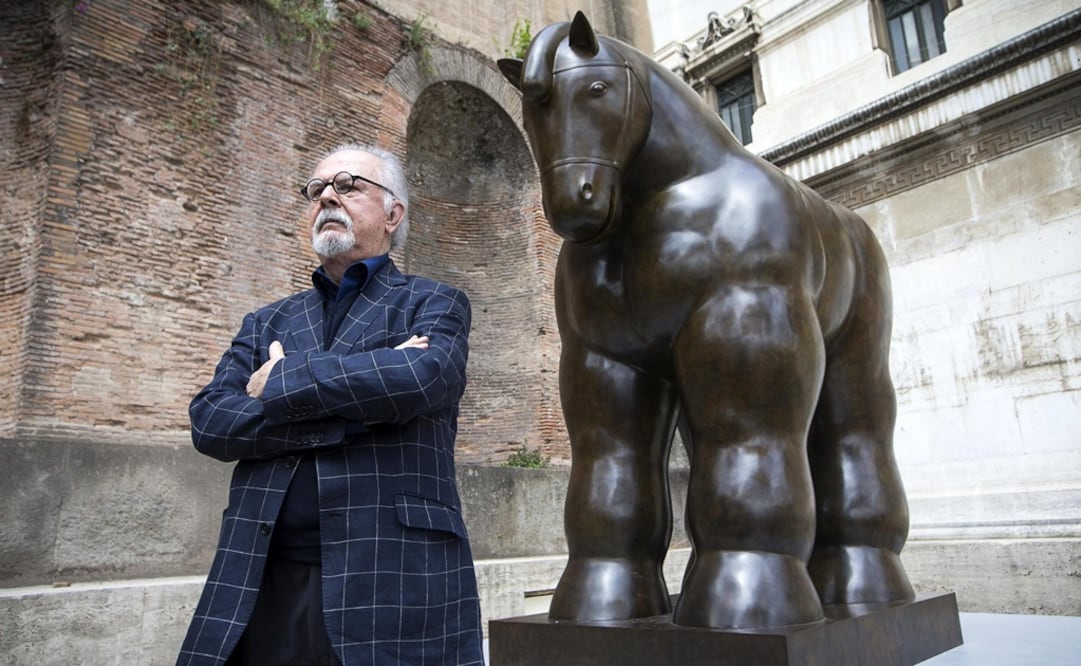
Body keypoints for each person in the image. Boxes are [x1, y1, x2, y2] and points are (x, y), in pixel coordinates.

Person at [177, 144, 484, 665]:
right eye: (316, 189)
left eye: (347, 185)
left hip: (394, 571)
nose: (326, 197)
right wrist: (351, 411)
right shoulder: (266, 322)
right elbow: (211, 421)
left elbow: (421, 378)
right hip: (263, 574)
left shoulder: (433, 302)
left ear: (393, 214)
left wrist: (283, 378)